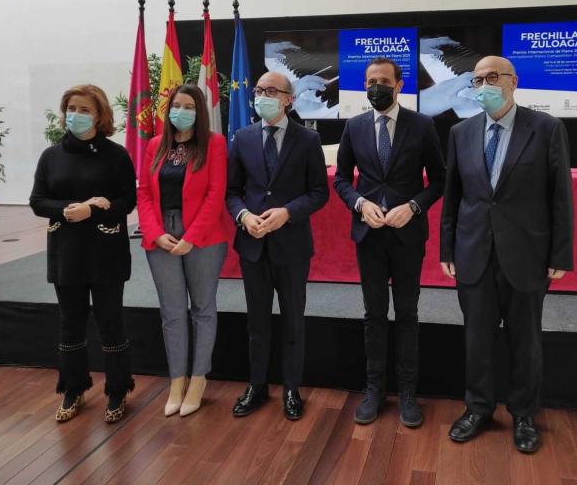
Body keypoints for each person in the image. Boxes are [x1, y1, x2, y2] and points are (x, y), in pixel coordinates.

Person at [440, 56, 574, 453]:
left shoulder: (547, 128)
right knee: (476, 339)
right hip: (473, 253)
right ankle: (478, 408)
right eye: (478, 78)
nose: (484, 84)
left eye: (492, 77)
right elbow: (453, 197)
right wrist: (448, 247)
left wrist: (561, 254)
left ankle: (524, 414)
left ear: (513, 82)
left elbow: (561, 196)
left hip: (527, 255)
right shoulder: (460, 132)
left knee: (525, 340)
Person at [334, 57, 446, 428]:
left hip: (407, 235)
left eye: (383, 80)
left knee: (408, 315)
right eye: (370, 81)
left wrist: (413, 207)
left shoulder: (422, 125)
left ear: (399, 85)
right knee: (374, 315)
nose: (375, 87)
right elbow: (342, 181)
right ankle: (375, 390)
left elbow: (440, 181)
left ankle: (408, 394)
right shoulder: (354, 126)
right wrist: (359, 203)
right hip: (368, 234)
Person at [30, 84, 137, 424]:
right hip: (67, 253)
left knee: (110, 322)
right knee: (70, 324)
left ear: (100, 115)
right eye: (70, 109)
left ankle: (118, 390)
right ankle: (73, 388)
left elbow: (127, 202)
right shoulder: (51, 156)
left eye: (84, 110)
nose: (74, 115)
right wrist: (68, 210)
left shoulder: (116, 155)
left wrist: (94, 211)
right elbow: (37, 201)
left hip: (106, 253)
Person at [225, 71, 329, 420]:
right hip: (252, 245)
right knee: (257, 322)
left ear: (289, 99)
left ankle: (291, 389)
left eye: (271, 91)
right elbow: (232, 192)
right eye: (258, 90)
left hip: (292, 245)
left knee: (292, 321)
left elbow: (319, 192)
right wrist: (242, 216)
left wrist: (288, 212)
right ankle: (257, 385)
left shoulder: (308, 140)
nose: (262, 96)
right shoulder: (242, 137)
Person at [137, 84, 228, 417]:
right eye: (176, 105)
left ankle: (199, 378)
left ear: (199, 111)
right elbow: (144, 193)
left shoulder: (214, 144)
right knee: (172, 313)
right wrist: (156, 234)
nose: (181, 111)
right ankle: (177, 379)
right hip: (161, 236)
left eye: (189, 106)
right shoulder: (155, 146)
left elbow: (216, 194)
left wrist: (192, 235)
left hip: (202, 237)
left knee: (203, 309)